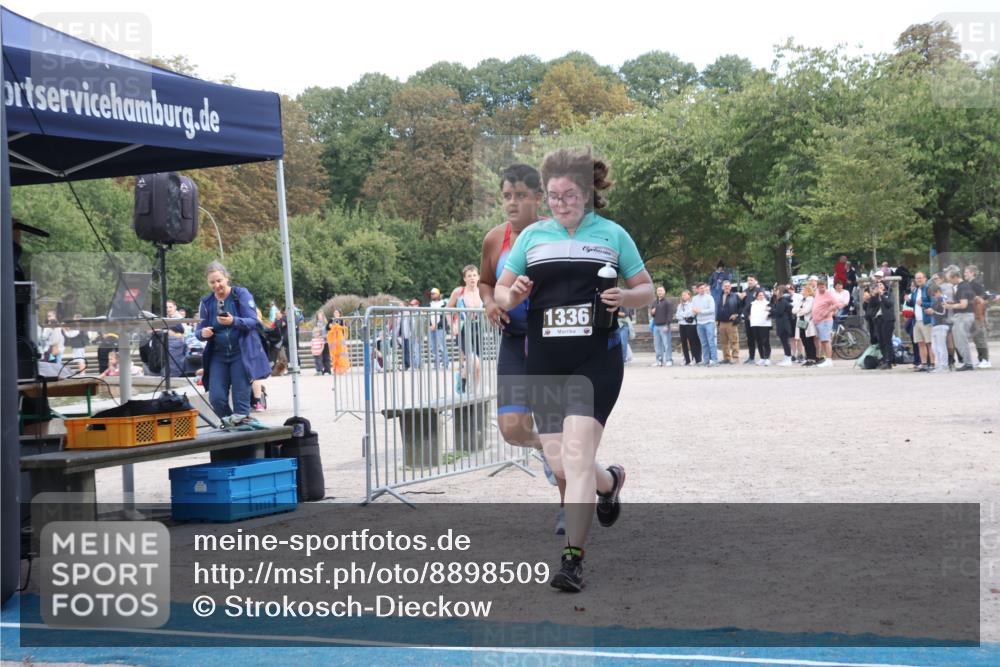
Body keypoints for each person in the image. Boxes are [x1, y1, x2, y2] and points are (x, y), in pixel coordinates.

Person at [494, 148, 653, 592]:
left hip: (594, 358)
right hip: (544, 360)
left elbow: (648, 289)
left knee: (578, 454)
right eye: (553, 196)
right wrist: (515, 294)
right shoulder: (532, 238)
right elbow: (501, 296)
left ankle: (572, 561)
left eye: (569, 195)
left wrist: (627, 296)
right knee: (562, 462)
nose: (560, 203)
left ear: (586, 195)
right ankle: (610, 483)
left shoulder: (613, 235)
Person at [477, 163, 566, 533]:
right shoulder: (495, 239)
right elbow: (484, 282)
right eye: (506, 196)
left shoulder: (558, 234)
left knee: (555, 425)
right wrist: (489, 302)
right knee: (512, 428)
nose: (512, 203)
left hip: (551, 343)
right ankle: (547, 451)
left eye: (520, 196)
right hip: (514, 342)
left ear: (538, 197)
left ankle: (568, 506)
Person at [195, 261, 272, 428]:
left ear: (227, 278)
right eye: (212, 282)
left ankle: (242, 434)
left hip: (241, 354)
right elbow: (198, 330)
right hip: (218, 356)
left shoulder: (240, 294)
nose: (216, 285)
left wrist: (233, 321)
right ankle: (235, 425)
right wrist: (202, 333)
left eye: (219, 280)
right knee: (216, 398)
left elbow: (254, 322)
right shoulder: (206, 302)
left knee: (240, 401)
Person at [447, 265, 484, 392]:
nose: (472, 278)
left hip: (478, 329)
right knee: (474, 361)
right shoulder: (459, 292)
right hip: (464, 329)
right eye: (469, 276)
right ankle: (463, 386)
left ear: (478, 277)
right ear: (464, 279)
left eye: (474, 275)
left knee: (476, 366)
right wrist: (452, 325)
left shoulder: (483, 291)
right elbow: (447, 310)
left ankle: (473, 392)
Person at [942, 268, 977, 372]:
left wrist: (950, 306)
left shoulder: (963, 287)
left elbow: (963, 305)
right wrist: (952, 302)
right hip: (963, 315)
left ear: (955, 277)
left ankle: (968, 364)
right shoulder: (963, 286)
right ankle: (967, 362)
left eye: (950, 279)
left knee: (961, 341)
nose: (949, 282)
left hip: (964, 316)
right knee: (959, 341)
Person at [964, 265, 991, 368]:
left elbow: (985, 296)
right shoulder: (968, 284)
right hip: (973, 314)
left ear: (972, 273)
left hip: (978, 314)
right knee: (976, 338)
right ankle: (981, 360)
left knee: (981, 338)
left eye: (966, 272)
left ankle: (986, 359)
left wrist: (977, 299)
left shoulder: (976, 284)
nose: (965, 274)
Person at [905, 272, 933, 372]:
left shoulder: (928, 289)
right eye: (917, 278)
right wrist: (908, 300)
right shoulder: (916, 290)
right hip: (916, 321)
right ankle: (924, 364)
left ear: (925, 279)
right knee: (920, 344)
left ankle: (932, 364)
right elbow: (913, 303)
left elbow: (934, 303)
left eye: (920, 278)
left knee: (929, 343)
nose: (918, 280)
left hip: (926, 320)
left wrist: (923, 303)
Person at [811, 277, 839, 367]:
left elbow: (836, 304)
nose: (821, 288)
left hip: (825, 320)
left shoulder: (829, 294)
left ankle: (829, 360)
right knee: (822, 341)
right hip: (818, 321)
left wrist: (829, 311)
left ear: (825, 286)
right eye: (819, 286)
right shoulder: (817, 293)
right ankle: (826, 358)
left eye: (823, 286)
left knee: (826, 340)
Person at [870, 280, 896, 369]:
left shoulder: (888, 294)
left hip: (888, 319)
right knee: (881, 341)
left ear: (884, 286)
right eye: (877, 285)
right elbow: (871, 306)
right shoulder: (876, 296)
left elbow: (889, 304)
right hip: (878, 319)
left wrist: (882, 295)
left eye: (881, 284)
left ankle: (890, 360)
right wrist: (873, 295)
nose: (879, 286)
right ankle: (885, 359)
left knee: (887, 340)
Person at [738, 276, 765, 364]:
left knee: (759, 338)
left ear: (755, 281)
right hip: (747, 318)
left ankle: (763, 357)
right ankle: (751, 357)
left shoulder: (759, 290)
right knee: (750, 339)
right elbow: (742, 305)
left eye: (751, 280)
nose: (749, 282)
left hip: (757, 318)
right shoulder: (745, 291)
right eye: (748, 280)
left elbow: (763, 303)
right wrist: (741, 299)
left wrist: (753, 314)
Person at [715, 280, 741, 364]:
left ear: (730, 287)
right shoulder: (719, 296)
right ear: (722, 287)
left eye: (728, 286)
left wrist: (736, 315)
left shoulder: (735, 296)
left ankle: (735, 358)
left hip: (731, 323)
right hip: (721, 322)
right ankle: (726, 358)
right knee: (724, 342)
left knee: (734, 340)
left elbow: (741, 307)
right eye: (725, 286)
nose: (727, 287)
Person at [692, 282, 718, 366]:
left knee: (711, 342)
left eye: (703, 288)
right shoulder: (694, 298)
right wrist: (695, 312)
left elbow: (712, 310)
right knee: (703, 343)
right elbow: (693, 310)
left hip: (709, 322)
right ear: (697, 289)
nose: (702, 290)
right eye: (700, 288)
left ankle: (714, 360)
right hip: (699, 323)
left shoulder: (709, 297)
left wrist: (701, 311)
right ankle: (706, 360)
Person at [926, 283, 949, 373]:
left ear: (938, 291)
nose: (933, 296)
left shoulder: (942, 298)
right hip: (935, 325)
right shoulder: (936, 300)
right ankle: (939, 364)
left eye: (934, 294)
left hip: (942, 325)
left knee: (941, 346)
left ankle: (944, 365)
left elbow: (944, 313)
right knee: (935, 347)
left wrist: (933, 312)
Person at [649, 286, 674, 367]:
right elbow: (652, 315)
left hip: (664, 325)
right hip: (656, 326)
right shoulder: (654, 302)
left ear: (664, 292)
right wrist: (652, 313)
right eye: (658, 291)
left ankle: (669, 360)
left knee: (667, 344)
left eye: (661, 290)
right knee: (657, 344)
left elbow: (670, 315)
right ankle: (659, 360)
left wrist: (667, 325)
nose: (659, 292)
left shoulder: (668, 302)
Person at [675, 290, 701, 366]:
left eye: (685, 295)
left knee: (692, 342)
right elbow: (677, 315)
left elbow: (692, 314)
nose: (684, 296)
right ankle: (686, 359)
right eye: (683, 295)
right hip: (682, 325)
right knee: (684, 343)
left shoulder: (692, 304)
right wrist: (684, 315)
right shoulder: (680, 305)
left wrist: (683, 315)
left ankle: (695, 358)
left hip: (690, 325)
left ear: (689, 296)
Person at [770, 286, 795, 366]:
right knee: (784, 342)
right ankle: (786, 357)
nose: (775, 291)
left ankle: (788, 358)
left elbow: (779, 312)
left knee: (785, 342)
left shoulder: (783, 301)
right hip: (781, 323)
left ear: (780, 291)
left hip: (784, 324)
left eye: (776, 290)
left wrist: (770, 310)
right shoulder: (779, 300)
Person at [794, 284, 818, 366]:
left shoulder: (810, 299)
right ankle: (808, 358)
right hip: (801, 321)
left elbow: (806, 310)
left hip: (807, 321)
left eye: (803, 290)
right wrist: (800, 310)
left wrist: (799, 310)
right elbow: (794, 310)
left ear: (808, 291)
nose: (802, 291)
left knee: (809, 341)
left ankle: (813, 358)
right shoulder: (802, 300)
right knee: (804, 340)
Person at [427, 288, 450, 369]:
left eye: (434, 293)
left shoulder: (443, 304)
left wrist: (436, 325)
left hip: (440, 328)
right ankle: (436, 364)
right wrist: (430, 325)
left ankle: (445, 363)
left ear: (438, 294)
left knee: (442, 346)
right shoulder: (430, 305)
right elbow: (429, 317)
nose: (432, 295)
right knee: (433, 347)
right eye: (431, 294)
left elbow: (444, 318)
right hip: (432, 328)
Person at [748, 289, 773, 365]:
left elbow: (771, 312)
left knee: (765, 341)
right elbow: (746, 311)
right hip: (755, 324)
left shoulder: (767, 303)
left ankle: (767, 358)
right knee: (758, 342)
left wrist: (769, 314)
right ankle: (762, 357)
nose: (761, 296)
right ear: (756, 296)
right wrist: (748, 316)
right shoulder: (752, 303)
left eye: (762, 295)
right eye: (759, 295)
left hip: (764, 324)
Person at [326, 309, 351, 375]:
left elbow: (345, 328)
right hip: (333, 340)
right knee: (334, 354)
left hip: (340, 340)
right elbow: (327, 328)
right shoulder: (331, 320)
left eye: (337, 312)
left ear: (340, 314)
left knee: (342, 354)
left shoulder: (342, 320)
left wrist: (340, 328)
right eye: (335, 312)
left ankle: (343, 369)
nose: (336, 313)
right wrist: (330, 326)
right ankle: (336, 369)